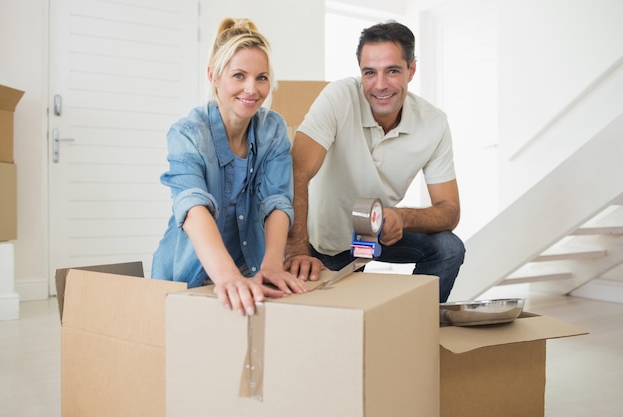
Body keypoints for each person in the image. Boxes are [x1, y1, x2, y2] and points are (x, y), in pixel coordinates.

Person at [284, 20, 465, 302]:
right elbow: (297, 170)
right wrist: (296, 250)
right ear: (360, 72)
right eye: (370, 73)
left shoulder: (434, 123)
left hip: (374, 234)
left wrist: (402, 218)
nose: (380, 85)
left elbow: (450, 211)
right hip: (321, 244)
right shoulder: (339, 97)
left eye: (392, 71)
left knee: (449, 248)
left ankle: (413, 325)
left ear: (411, 70)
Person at [152, 18, 306, 316]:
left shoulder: (271, 129)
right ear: (214, 76)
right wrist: (226, 277)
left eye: (261, 77)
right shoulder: (188, 133)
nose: (252, 89)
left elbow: (277, 201)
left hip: (247, 271)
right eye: (239, 75)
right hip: (189, 277)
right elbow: (193, 206)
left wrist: (272, 265)